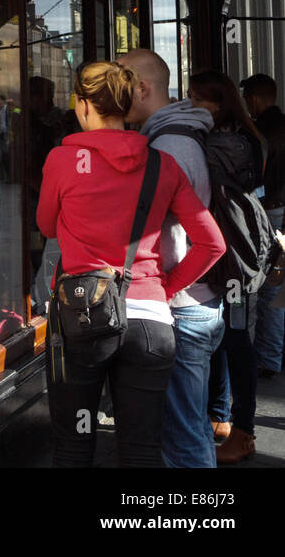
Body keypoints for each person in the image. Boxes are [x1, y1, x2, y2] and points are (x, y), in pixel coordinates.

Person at [37, 61, 225, 466]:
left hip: (83, 317)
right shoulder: (162, 164)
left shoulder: (62, 160)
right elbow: (212, 244)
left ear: (84, 105)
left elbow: (46, 225)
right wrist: (166, 288)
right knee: (141, 449)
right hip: (151, 324)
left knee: (74, 445)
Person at [118, 49, 223, 467]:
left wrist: (166, 290)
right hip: (197, 303)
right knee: (189, 427)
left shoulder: (171, 145)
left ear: (141, 88)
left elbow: (207, 242)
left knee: (183, 436)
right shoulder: (176, 135)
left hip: (184, 307)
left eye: (120, 83)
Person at [190, 71, 266, 464]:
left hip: (232, 255)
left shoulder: (218, 144)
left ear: (217, 105)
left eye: (195, 98)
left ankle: (244, 431)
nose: (187, 105)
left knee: (236, 341)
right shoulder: (242, 137)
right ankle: (222, 419)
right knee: (227, 337)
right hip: (237, 250)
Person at [240, 73, 285, 379]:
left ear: (254, 98)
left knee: (269, 286)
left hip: (270, 212)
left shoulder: (258, 132)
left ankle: (268, 357)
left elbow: (256, 178)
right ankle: (273, 353)